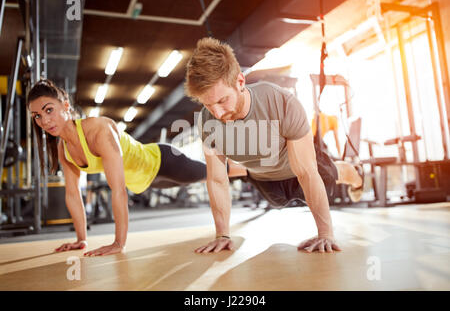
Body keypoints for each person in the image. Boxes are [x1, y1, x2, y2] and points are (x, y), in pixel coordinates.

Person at [184, 37, 364, 254]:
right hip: (264, 180)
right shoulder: (207, 121)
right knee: (277, 200)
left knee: (331, 173)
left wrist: (325, 233)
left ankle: (355, 173)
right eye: (208, 104)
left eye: (222, 101)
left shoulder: (280, 102)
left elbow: (307, 173)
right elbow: (216, 178)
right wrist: (222, 234)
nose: (218, 113)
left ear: (240, 82)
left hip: (300, 170)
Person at [28, 79, 212, 257]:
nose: (44, 121)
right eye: (37, 116)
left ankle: (240, 168)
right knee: (208, 176)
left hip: (162, 162)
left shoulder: (98, 130)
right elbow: (72, 194)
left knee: (214, 173)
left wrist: (118, 243)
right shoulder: (64, 149)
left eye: (49, 110)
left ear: (66, 106)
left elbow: (118, 189)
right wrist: (81, 239)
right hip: (144, 183)